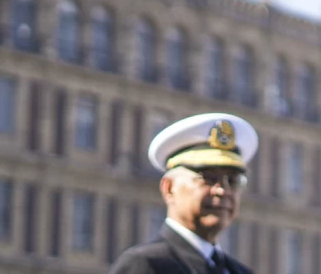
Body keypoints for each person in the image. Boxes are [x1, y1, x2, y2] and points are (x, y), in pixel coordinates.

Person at [110, 113, 257, 274]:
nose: (222, 190)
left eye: (233, 180)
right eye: (208, 178)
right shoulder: (145, 265)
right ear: (169, 187)